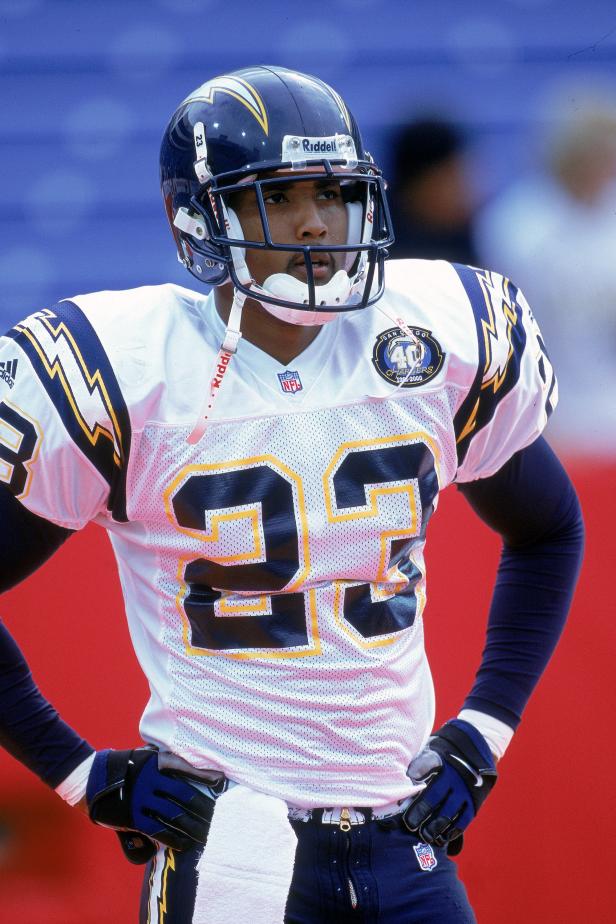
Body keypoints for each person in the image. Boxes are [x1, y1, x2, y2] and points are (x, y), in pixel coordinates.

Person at [0, 65, 583, 924]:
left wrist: (483, 731)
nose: (316, 221)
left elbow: (549, 530)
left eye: (334, 192)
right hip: (230, 841)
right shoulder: (126, 369)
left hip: (406, 832)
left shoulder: (435, 334)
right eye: (279, 196)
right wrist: (80, 772)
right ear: (203, 216)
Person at [387, 117, 479, 265]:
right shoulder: (377, 243)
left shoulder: (465, 235)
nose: (463, 189)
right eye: (451, 177)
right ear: (418, 183)